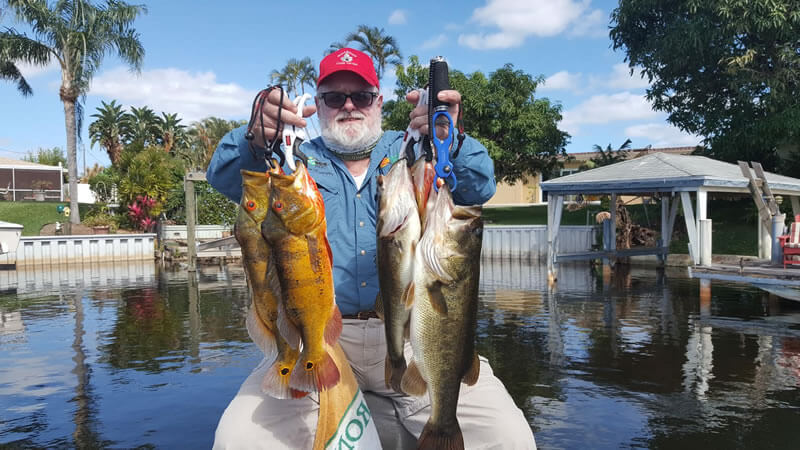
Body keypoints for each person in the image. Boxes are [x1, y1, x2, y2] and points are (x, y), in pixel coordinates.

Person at [207, 47, 536, 449]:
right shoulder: (293, 163)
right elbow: (225, 178)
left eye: (360, 96)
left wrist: (451, 136)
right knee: (238, 440)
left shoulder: (417, 149)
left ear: (379, 102)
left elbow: (478, 187)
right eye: (334, 97)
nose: (348, 105)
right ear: (320, 105)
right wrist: (253, 138)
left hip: (419, 333)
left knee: (509, 438)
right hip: (318, 337)